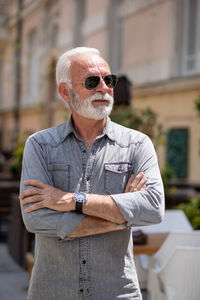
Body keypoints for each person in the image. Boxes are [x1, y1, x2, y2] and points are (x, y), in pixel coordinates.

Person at [19, 47, 164, 300]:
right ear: (65, 91)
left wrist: (73, 200)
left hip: (118, 292)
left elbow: (152, 207)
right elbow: (36, 219)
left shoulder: (137, 144)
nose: (103, 88)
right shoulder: (39, 145)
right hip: (53, 291)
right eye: (91, 81)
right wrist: (122, 216)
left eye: (109, 80)